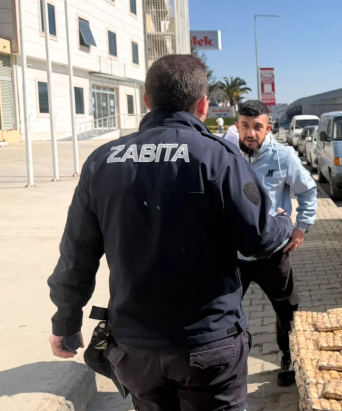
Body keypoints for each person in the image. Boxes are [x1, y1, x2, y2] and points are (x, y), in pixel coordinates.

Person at [47, 55, 293, 411]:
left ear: (147, 100)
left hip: (135, 348)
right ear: (203, 105)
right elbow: (258, 239)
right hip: (208, 345)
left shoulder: (103, 161)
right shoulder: (219, 158)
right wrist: (284, 222)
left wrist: (66, 320)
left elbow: (76, 252)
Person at [224, 100, 317, 386]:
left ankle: (288, 357)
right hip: (234, 255)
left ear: (268, 128)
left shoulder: (283, 157)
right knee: (223, 311)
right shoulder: (225, 153)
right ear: (238, 125)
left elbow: (308, 191)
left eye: (257, 127)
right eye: (245, 126)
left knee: (287, 309)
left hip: (274, 254)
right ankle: (225, 362)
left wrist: (301, 228)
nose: (250, 133)